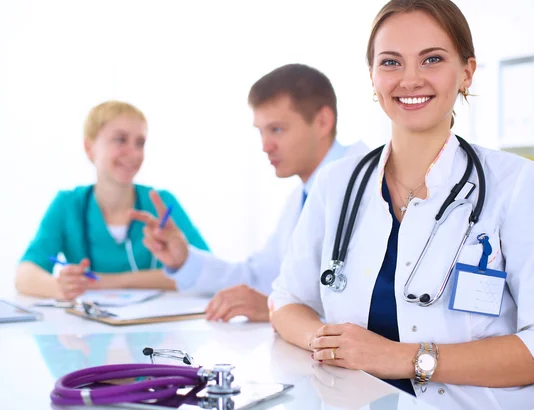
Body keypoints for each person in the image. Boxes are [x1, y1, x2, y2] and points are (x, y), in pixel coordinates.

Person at [268, 2, 534, 410]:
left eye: (432, 59)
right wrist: (331, 343)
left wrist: (402, 357)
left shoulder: (516, 183)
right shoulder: (337, 184)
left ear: (467, 72)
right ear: (372, 77)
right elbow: (286, 300)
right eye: (390, 62)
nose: (410, 79)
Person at [132, 64, 368, 322]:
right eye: (261, 131)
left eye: (277, 129)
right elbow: (260, 277)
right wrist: (184, 260)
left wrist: (275, 310)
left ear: (323, 122)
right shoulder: (302, 196)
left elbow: (371, 309)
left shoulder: (368, 184)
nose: (265, 146)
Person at [15, 101, 209, 301]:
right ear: (89, 148)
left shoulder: (161, 203)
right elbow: (25, 274)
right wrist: (60, 287)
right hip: (88, 329)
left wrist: (105, 281)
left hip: (156, 327)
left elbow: (205, 272)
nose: (133, 153)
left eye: (140, 143)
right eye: (120, 139)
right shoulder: (68, 205)